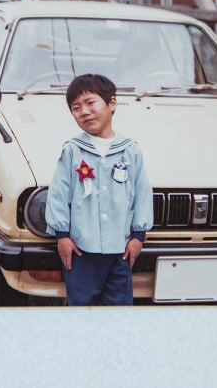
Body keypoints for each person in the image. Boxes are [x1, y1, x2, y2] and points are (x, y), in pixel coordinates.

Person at [44, 74, 153, 306]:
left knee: (119, 305)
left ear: (112, 103)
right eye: (76, 108)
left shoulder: (130, 150)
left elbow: (142, 193)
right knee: (81, 304)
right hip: (81, 250)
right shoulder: (73, 150)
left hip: (120, 249)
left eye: (90, 103)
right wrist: (62, 236)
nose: (84, 112)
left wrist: (138, 236)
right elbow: (59, 193)